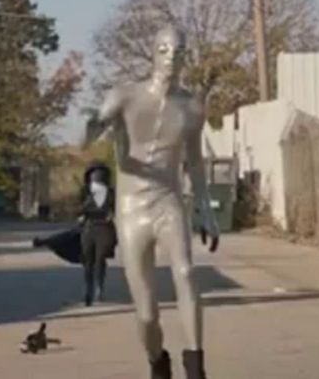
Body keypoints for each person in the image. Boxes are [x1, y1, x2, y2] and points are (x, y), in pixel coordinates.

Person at [84, 25, 219, 379]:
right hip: (132, 212)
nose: (171, 58)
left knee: (187, 274)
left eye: (178, 51)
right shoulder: (125, 96)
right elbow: (90, 133)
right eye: (164, 49)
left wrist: (205, 207)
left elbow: (195, 161)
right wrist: (96, 125)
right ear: (153, 51)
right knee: (146, 313)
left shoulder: (191, 107)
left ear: (185, 56)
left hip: (168, 201)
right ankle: (158, 361)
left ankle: (196, 367)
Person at [78, 161, 116, 306]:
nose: (97, 175)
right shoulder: (85, 191)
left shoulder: (111, 192)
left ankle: (100, 287)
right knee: (88, 260)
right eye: (95, 172)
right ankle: (88, 288)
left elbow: (115, 208)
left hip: (104, 228)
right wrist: (81, 215)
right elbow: (78, 208)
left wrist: (112, 215)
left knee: (100, 259)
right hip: (89, 227)